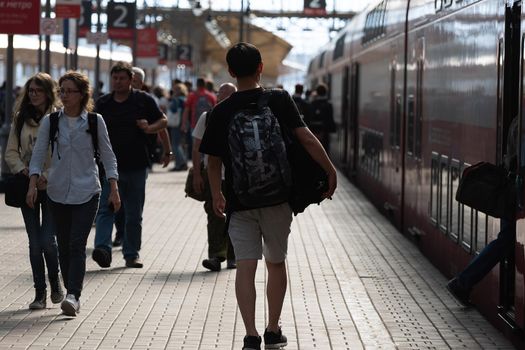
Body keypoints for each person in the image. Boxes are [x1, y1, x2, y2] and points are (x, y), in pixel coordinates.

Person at [199, 42, 337, 350]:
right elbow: (306, 137)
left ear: (231, 71)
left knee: (246, 267)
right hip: (277, 199)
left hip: (240, 201)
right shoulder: (279, 99)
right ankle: (273, 329)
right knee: (276, 262)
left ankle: (250, 335)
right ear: (261, 67)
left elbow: (213, 160)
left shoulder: (221, 111)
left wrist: (217, 194)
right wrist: (329, 169)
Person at [27, 71, 120, 316]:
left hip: (87, 191)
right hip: (56, 192)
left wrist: (114, 188)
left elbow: (108, 156)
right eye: (62, 90)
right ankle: (71, 287)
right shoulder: (52, 121)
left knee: (78, 244)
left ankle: (73, 295)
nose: (65, 95)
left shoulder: (94, 121)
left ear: (82, 95)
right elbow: (38, 154)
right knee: (64, 247)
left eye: (70, 91)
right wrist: (32, 184)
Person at [92, 62, 167, 269]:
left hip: (136, 165)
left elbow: (163, 121)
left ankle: (131, 253)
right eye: (114, 78)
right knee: (106, 209)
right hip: (109, 167)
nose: (117, 82)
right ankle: (103, 249)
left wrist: (149, 127)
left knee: (134, 213)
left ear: (131, 79)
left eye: (122, 78)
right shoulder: (103, 103)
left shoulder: (143, 101)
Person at [5, 72, 63, 310]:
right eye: (31, 91)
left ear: (49, 93)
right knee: (34, 243)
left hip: (51, 187)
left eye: (39, 90)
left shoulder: (58, 119)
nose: (34, 95)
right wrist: (24, 170)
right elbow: (10, 152)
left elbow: (63, 154)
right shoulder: (20, 119)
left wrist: (46, 175)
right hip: (26, 185)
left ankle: (56, 282)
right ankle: (40, 293)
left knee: (47, 240)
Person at [447, 117, 519, 307]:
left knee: (505, 240)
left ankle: (463, 282)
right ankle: (462, 282)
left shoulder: (517, 121)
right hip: (516, 195)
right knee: (505, 240)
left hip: (512, 192)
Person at [192, 82, 237, 272]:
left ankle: (232, 257)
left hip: (237, 177)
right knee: (214, 215)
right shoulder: (208, 117)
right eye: (222, 95)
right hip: (213, 175)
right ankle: (216, 256)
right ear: (217, 97)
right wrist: (196, 174)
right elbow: (196, 147)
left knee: (235, 216)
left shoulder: (241, 116)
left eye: (229, 95)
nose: (225, 99)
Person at [181, 77, 217, 160]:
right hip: (209, 124)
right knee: (208, 146)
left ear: (196, 84)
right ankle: (205, 164)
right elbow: (215, 109)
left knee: (196, 146)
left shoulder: (192, 95)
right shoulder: (211, 96)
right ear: (205, 85)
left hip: (195, 124)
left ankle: (198, 165)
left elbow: (186, 110)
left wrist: (184, 123)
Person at [305, 83, 336, 154]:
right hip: (324, 132)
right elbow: (330, 119)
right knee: (324, 150)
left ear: (317, 92)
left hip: (313, 131)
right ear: (326, 92)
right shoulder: (328, 104)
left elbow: (309, 118)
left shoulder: (312, 103)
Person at [168, 82, 188, 171]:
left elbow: (173, 110)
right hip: (184, 124)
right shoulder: (185, 99)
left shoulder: (176, 100)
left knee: (175, 145)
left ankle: (180, 164)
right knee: (181, 144)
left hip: (176, 124)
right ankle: (182, 162)